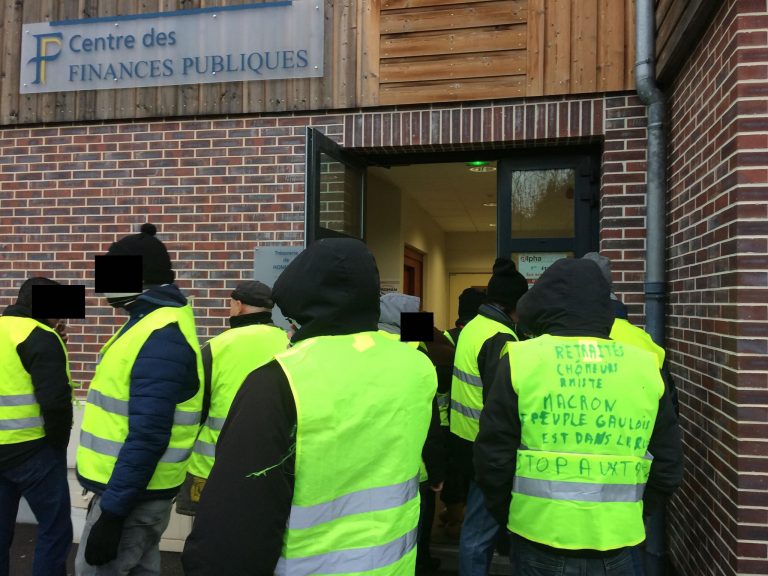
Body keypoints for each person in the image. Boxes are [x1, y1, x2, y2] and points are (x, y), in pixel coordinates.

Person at [182, 238, 437, 575]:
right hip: (392, 566)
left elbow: (235, 529)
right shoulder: (416, 367)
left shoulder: (279, 381)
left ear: (297, 307)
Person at [474, 258, 684, 575]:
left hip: (537, 536)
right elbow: (668, 465)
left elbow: (492, 458)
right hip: (620, 541)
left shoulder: (521, 359)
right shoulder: (645, 364)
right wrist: (632, 513)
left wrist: (512, 514)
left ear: (540, 305)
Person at [75, 223, 204, 575]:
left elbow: (149, 434)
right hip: (135, 493)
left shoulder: (159, 335)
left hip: (130, 499)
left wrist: (113, 513)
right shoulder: (150, 322)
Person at [176, 281, 289, 516]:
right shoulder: (290, 344)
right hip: (273, 465)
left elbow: (193, 409)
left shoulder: (215, 347)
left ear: (238, 306)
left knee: (207, 537)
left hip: (212, 469)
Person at [450, 258, 528, 576]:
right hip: (485, 445)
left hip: (464, 438)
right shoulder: (501, 338)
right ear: (515, 304)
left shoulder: (474, 328)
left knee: (476, 527)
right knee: (479, 532)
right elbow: (503, 401)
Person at [0, 277, 73, 576]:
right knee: (55, 529)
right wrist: (58, 445)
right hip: (33, 453)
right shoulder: (41, 336)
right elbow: (55, 402)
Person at [378, 292, 448, 575]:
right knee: (416, 531)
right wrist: (438, 471)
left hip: (373, 462)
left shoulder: (362, 348)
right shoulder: (417, 357)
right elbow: (429, 422)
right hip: (413, 465)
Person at [440, 287, 485, 534]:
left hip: (443, 419)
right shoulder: (485, 336)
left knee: (452, 470)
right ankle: (464, 518)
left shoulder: (442, 336)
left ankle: (455, 513)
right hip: (475, 421)